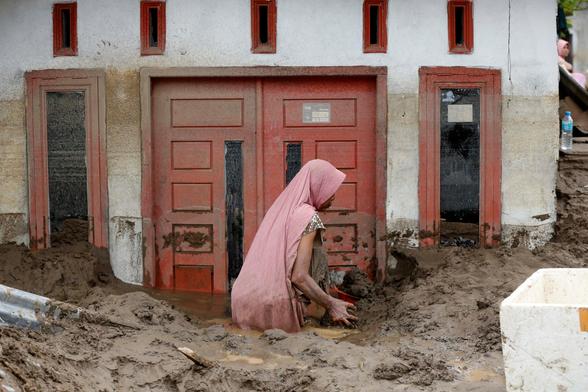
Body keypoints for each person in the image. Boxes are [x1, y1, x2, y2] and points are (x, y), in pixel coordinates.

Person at [231, 159, 357, 332]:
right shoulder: (309, 217)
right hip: (272, 306)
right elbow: (299, 277)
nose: (334, 195)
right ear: (317, 186)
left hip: (242, 301)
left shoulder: (281, 210)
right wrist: (331, 304)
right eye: (331, 189)